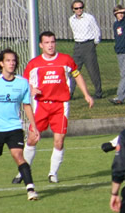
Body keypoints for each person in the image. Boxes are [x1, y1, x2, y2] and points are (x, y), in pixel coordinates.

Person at [16, 31, 94, 184]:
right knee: (32, 139)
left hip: (61, 105)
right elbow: (24, 83)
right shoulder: (34, 64)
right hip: (41, 106)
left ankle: (53, 173)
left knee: (59, 141)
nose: (50, 45)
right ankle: (23, 172)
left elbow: (77, 75)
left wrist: (86, 94)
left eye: (52, 42)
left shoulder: (66, 60)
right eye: (46, 43)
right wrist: (31, 89)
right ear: (41, 45)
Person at [0, 49, 40, 200]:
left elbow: (27, 105)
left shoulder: (22, 83)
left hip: (14, 127)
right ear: (1, 63)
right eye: (8, 60)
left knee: (18, 156)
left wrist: (33, 126)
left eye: (13, 60)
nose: (11, 63)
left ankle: (31, 189)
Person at [69, 0, 103, 99]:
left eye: (80, 8)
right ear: (73, 9)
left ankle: (98, 93)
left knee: (93, 70)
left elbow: (96, 30)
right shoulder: (71, 19)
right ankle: (70, 93)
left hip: (88, 44)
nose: (79, 10)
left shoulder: (89, 18)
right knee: (74, 70)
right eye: (76, 8)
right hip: (77, 45)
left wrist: (95, 43)